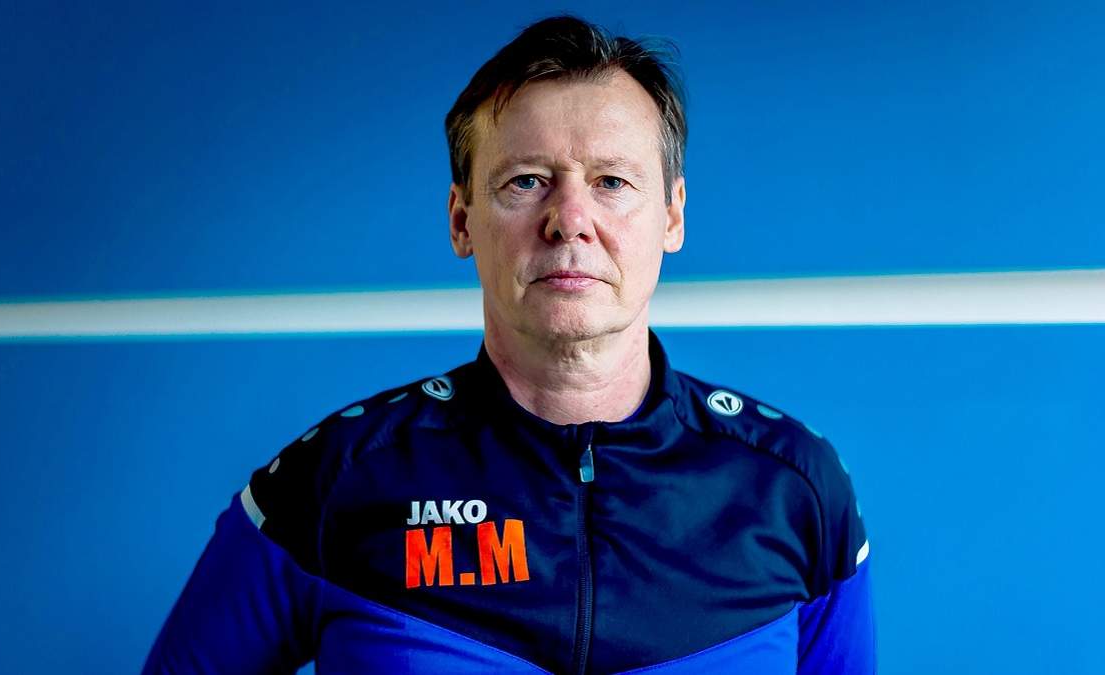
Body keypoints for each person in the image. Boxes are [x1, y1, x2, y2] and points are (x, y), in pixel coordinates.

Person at [143, 14, 875, 674]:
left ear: (673, 215)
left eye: (612, 181)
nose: (570, 220)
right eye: (526, 182)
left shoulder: (794, 488)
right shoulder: (337, 479)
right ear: (461, 221)